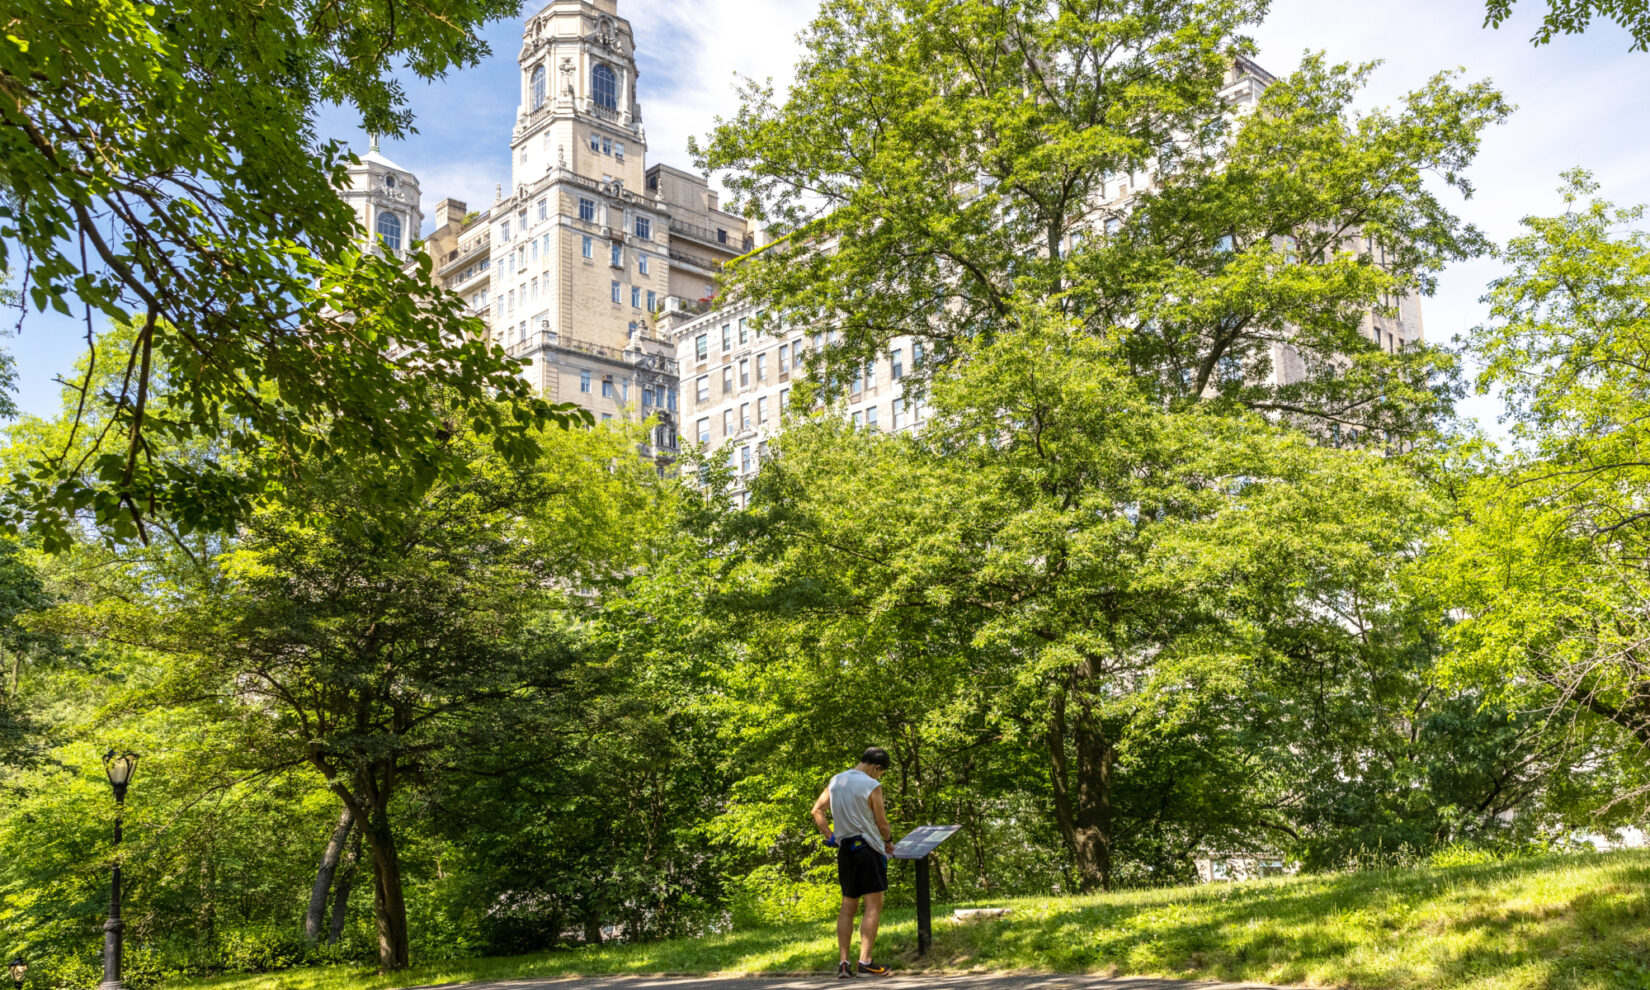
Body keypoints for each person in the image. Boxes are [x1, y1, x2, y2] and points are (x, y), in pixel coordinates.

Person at [811, 747, 896, 978]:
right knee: (873, 905)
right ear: (877, 767)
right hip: (868, 849)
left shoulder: (837, 780)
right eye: (881, 773)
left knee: (848, 905)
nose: (879, 777)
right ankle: (866, 962)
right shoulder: (872, 786)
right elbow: (881, 822)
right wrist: (888, 842)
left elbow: (817, 811)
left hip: (845, 850)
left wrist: (831, 837)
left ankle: (844, 964)